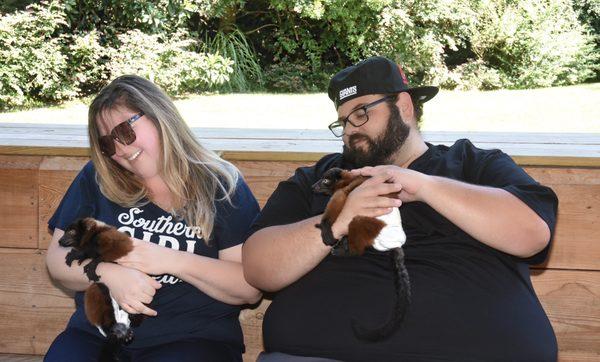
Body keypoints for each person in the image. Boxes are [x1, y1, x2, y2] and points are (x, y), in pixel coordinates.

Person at [243, 56, 559, 361]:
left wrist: (424, 186)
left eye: (361, 113)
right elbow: (258, 267)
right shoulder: (320, 178)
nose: (351, 129)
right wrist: (338, 219)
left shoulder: (471, 164)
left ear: (404, 107)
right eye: (343, 121)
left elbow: (532, 233)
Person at [45, 75, 261, 361]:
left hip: (192, 340)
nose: (120, 150)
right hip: (97, 338)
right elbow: (57, 261)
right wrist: (106, 273)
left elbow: (249, 288)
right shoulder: (97, 180)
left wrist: (166, 259)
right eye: (108, 144)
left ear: (160, 116)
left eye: (124, 131)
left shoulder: (221, 185)